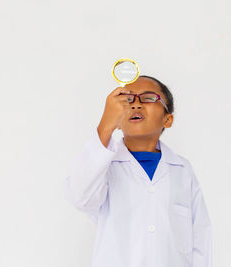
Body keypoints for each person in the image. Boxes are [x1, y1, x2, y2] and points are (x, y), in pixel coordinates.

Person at [64, 75, 212, 267]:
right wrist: (104, 127)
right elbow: (79, 196)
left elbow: (200, 239)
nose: (136, 104)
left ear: (167, 120)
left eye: (149, 97)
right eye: (128, 99)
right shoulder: (103, 167)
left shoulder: (182, 171)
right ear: (117, 119)